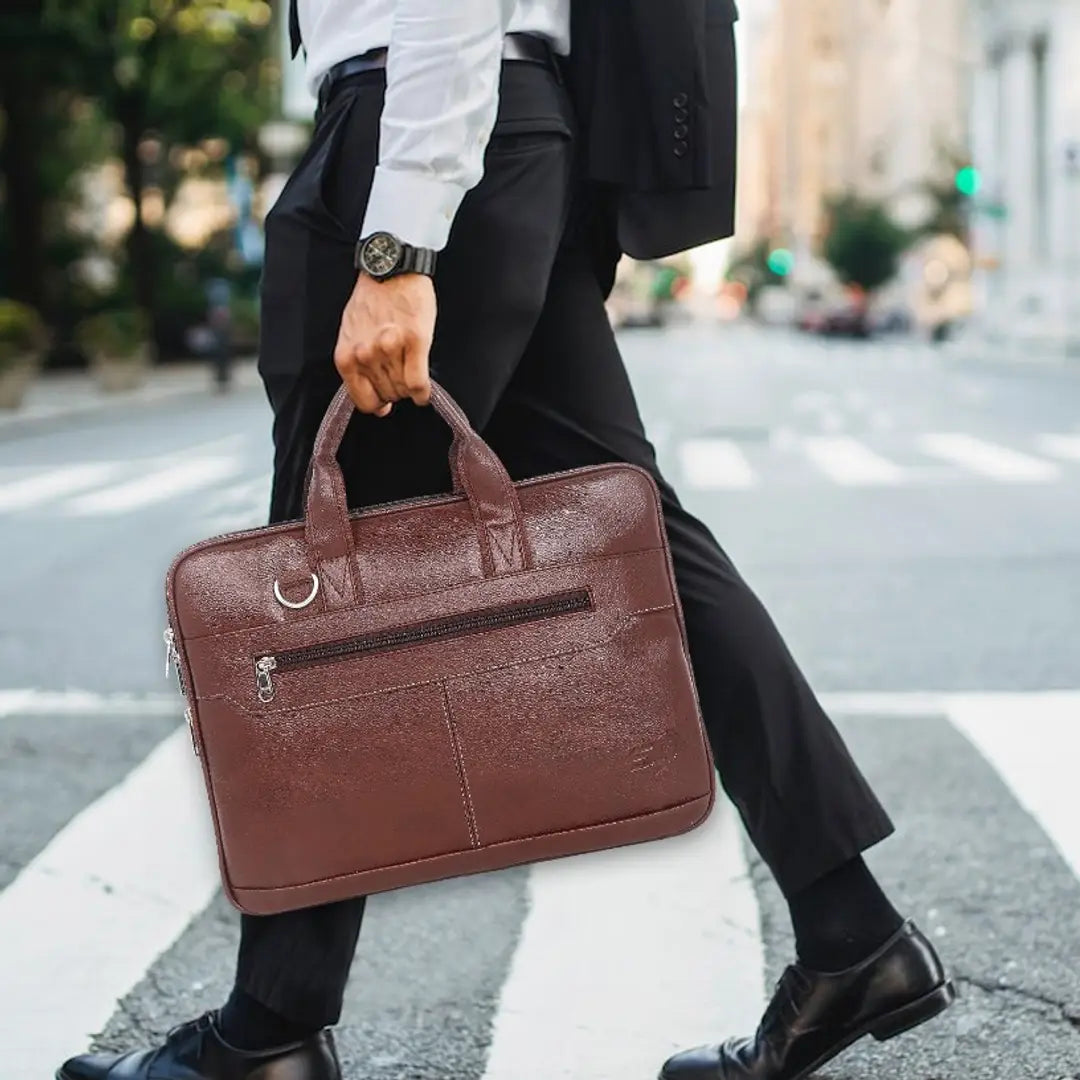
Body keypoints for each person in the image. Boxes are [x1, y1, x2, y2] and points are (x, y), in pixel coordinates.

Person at [57, 3, 955, 1079]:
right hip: (498, 130)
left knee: (331, 589)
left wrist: (396, 247)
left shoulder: (413, 169)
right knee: (635, 541)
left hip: (419, 128)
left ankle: (271, 1027)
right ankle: (850, 932)